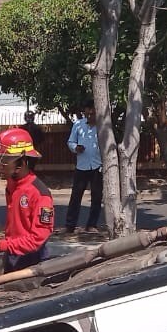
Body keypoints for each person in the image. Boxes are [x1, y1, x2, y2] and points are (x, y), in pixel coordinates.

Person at [0, 127, 54, 271]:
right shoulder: (12, 184)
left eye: (4, 162)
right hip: (12, 256)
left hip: (33, 262)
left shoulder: (40, 194)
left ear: (21, 164)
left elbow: (37, 239)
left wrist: (3, 245)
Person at [65, 100, 102, 233]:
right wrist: (76, 148)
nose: (91, 113)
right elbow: (71, 141)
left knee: (97, 197)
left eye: (93, 110)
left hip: (98, 167)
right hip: (82, 166)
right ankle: (70, 225)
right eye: (88, 110)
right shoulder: (78, 125)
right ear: (85, 111)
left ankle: (91, 225)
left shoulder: (102, 126)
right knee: (76, 196)